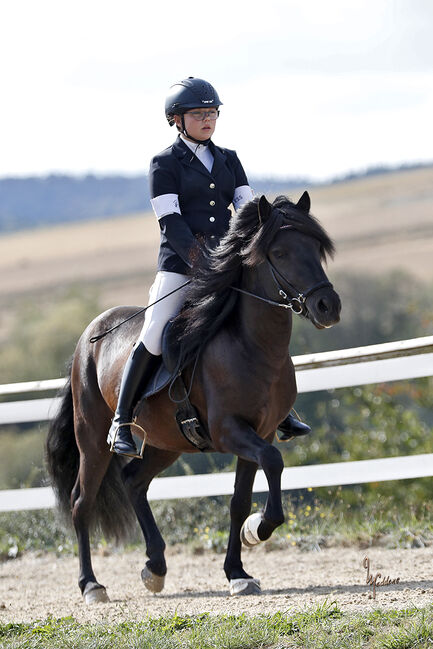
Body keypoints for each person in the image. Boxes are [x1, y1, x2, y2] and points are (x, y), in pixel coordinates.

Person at [107, 76, 310, 458]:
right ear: (176, 119)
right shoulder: (164, 163)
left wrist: (251, 250)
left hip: (227, 265)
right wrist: (203, 262)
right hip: (182, 267)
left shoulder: (229, 158)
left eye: (212, 113)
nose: (208, 119)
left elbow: (249, 212)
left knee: (261, 319)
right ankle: (122, 419)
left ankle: (281, 409)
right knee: (153, 331)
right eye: (199, 114)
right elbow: (171, 221)